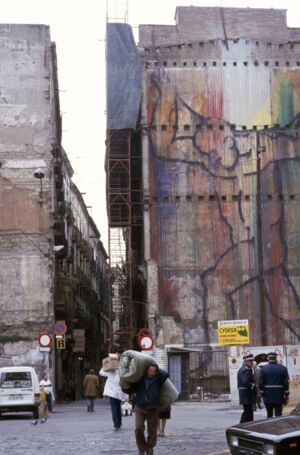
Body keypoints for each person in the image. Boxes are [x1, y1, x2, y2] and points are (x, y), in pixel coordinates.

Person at [123, 362, 169, 455]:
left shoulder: (159, 379)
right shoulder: (139, 379)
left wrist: (155, 367)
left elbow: (166, 374)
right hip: (140, 407)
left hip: (153, 408)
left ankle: (150, 448)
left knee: (152, 431)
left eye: (153, 371)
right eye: (149, 371)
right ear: (145, 371)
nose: (151, 373)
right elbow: (129, 389)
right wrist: (123, 384)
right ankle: (141, 448)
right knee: (138, 428)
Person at [259, 352, 290, 418]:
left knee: (269, 414)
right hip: (279, 395)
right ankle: (278, 427)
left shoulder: (263, 369)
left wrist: (262, 393)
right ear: (276, 358)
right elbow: (285, 383)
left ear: (268, 358)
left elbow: (261, 383)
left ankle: (269, 427)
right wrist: (286, 395)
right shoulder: (283, 368)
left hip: (267, 395)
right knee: (278, 414)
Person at [99, 366, 128, 431]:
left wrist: (106, 365)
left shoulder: (110, 372)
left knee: (114, 408)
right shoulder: (121, 372)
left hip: (112, 393)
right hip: (119, 394)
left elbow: (101, 372)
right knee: (118, 408)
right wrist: (126, 396)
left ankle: (116, 424)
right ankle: (119, 423)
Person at [237, 353, 256, 423]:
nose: (251, 362)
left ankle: (245, 424)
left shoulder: (245, 369)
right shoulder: (245, 370)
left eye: (252, 361)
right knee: (248, 411)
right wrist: (252, 385)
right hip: (246, 394)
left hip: (245, 394)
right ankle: (244, 425)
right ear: (245, 361)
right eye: (250, 361)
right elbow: (245, 382)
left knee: (248, 411)